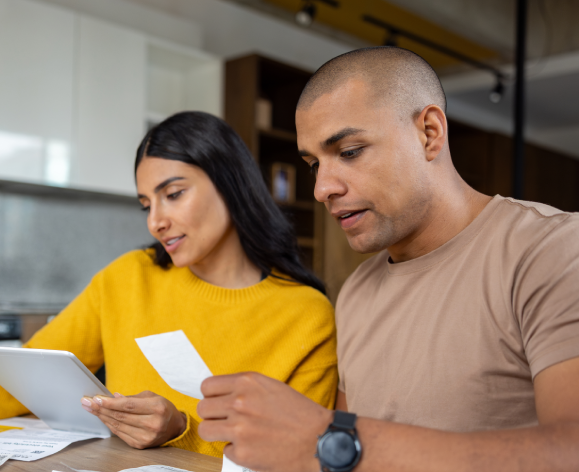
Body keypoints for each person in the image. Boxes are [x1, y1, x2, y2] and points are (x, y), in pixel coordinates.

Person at [197, 47, 579, 471]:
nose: (322, 189)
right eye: (313, 164)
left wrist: (325, 439)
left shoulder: (555, 249)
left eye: (349, 151)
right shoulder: (356, 291)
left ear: (429, 133)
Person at [0, 111, 338, 458]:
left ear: (230, 184)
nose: (156, 221)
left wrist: (182, 429)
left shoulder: (305, 314)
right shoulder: (128, 277)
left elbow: (300, 454)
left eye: (174, 194)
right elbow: (29, 373)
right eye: (146, 204)